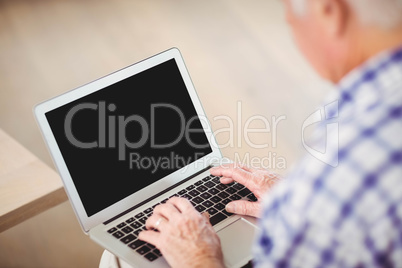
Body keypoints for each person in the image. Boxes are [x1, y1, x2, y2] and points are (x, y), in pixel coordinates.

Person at [139, 0, 402, 267]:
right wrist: (298, 204)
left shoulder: (345, 161)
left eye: (290, 17)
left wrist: (199, 257)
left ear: (329, 11)